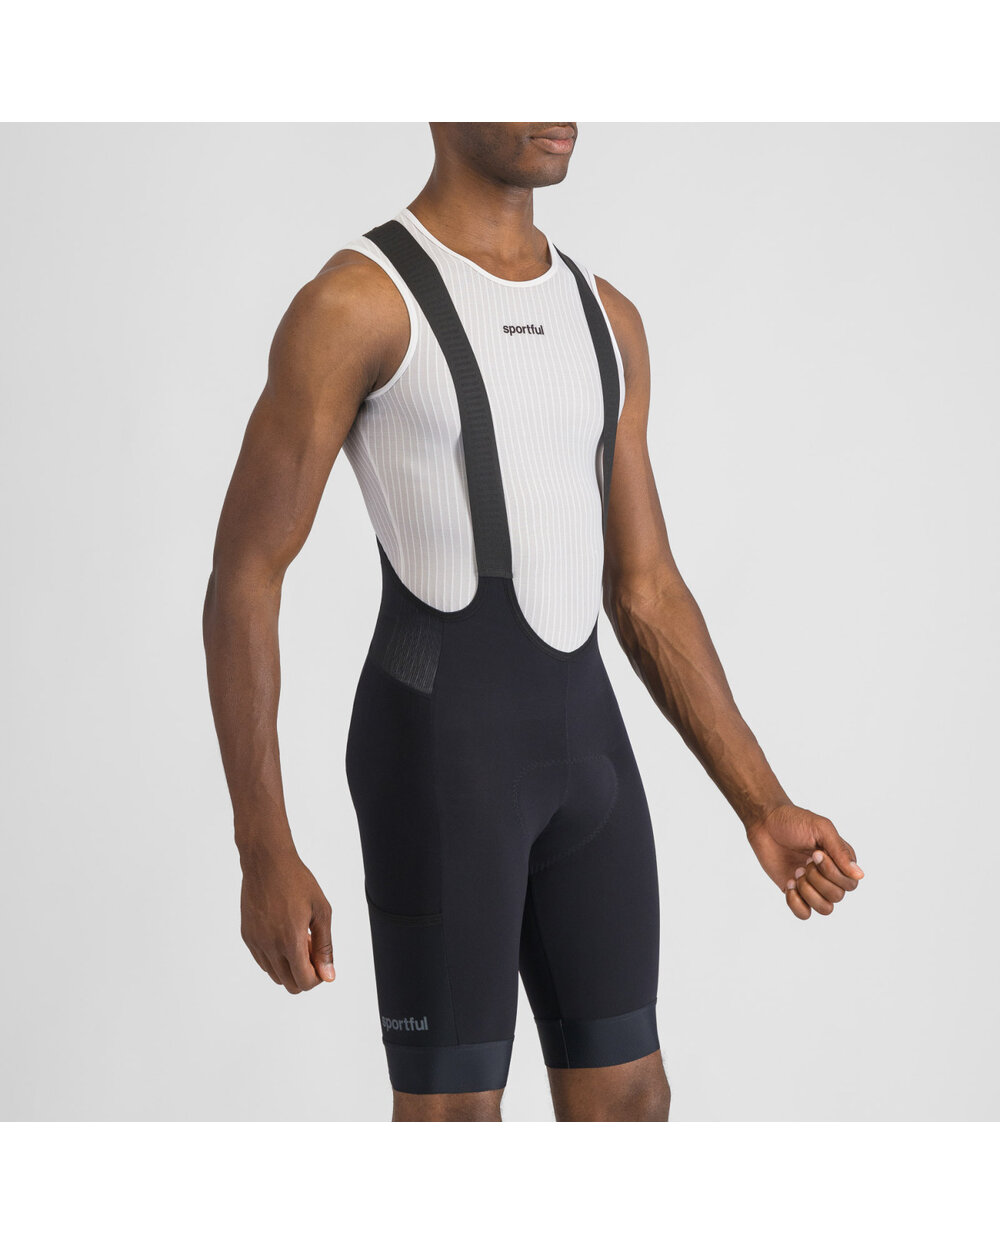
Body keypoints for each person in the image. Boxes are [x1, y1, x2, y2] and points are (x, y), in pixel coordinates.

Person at [203, 122, 864, 1123]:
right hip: (438, 762)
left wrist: (761, 802)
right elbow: (245, 576)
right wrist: (263, 845)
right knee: (454, 1121)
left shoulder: (606, 317)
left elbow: (645, 586)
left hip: (588, 762)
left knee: (631, 1100)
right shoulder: (357, 302)